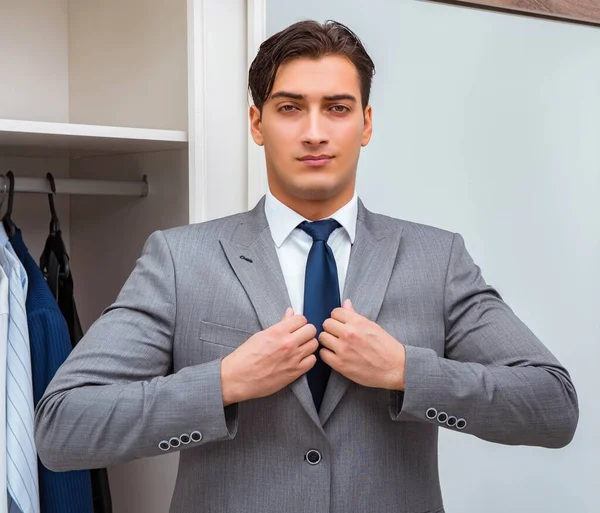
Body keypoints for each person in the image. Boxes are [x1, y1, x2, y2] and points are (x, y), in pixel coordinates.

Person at [34, 19, 579, 513]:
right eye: (290, 107)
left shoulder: (437, 260)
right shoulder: (180, 260)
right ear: (257, 122)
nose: (314, 131)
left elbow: (553, 407)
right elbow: (63, 428)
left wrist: (408, 372)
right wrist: (222, 383)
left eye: (337, 108)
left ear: (365, 123)